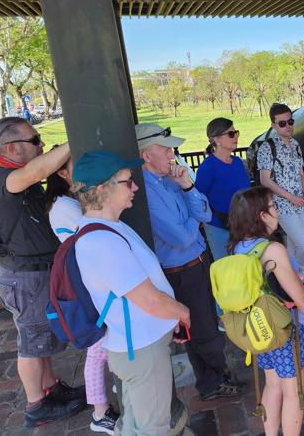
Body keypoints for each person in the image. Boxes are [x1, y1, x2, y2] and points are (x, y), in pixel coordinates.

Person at [71, 150, 191, 435]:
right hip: (141, 349)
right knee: (153, 427)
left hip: (140, 344)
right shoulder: (101, 240)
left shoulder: (107, 228)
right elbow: (149, 300)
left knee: (136, 424)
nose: (135, 186)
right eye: (127, 181)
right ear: (103, 189)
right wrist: (182, 312)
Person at [0, 117, 85, 428]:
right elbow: (38, 169)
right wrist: (78, 139)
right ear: (11, 147)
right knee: (30, 342)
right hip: (24, 276)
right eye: (35, 140)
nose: (40, 145)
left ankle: (51, 388)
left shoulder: (10, 176)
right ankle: (36, 404)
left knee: (40, 337)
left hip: (33, 272)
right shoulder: (1, 179)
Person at [136, 123, 243, 400]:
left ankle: (211, 381)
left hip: (199, 259)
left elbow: (205, 213)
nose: (173, 153)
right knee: (204, 330)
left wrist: (187, 186)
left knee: (201, 325)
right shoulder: (147, 191)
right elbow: (182, 236)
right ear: (147, 155)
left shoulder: (172, 179)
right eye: (166, 148)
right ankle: (216, 379)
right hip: (181, 271)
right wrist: (193, 211)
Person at [214, 186, 304, 436]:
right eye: (273, 207)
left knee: (272, 386)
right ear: (261, 215)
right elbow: (299, 296)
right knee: (294, 391)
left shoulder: (237, 247)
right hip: (284, 328)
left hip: (257, 329)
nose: (277, 212)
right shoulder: (272, 250)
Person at [46, 156, 119, 434]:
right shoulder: (64, 206)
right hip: (88, 282)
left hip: (91, 277)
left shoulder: (67, 202)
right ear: (63, 173)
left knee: (104, 345)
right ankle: (100, 412)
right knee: (97, 348)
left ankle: (114, 392)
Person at [257, 103, 304, 266]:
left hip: (300, 204)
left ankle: (294, 282)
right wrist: (291, 197)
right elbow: (265, 180)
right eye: (282, 123)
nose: (288, 126)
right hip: (282, 205)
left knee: (295, 246)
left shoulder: (295, 145)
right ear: (273, 125)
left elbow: (301, 173)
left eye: (290, 121)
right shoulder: (268, 147)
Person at [195, 117, 251, 260]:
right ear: (217, 140)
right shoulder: (208, 167)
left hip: (244, 224)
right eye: (231, 134)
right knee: (228, 269)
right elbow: (198, 199)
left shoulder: (238, 162)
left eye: (236, 133)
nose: (236, 137)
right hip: (219, 228)